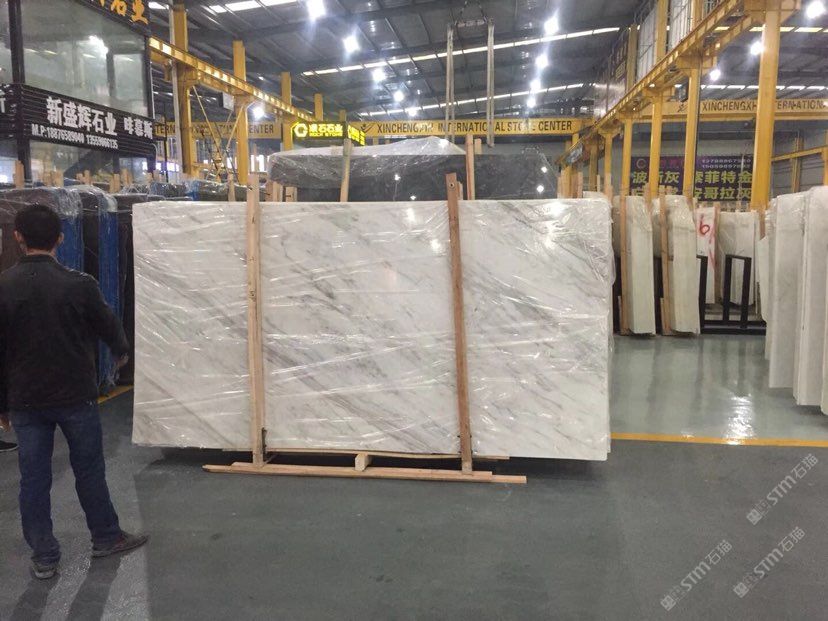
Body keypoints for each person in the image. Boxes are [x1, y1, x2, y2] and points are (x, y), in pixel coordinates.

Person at [0, 203, 147, 580]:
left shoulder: (3, 287)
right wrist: (120, 352)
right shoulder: (79, 285)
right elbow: (109, 325)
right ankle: (106, 537)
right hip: (75, 396)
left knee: (33, 479)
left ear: (17, 237)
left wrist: (2, 405)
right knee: (89, 470)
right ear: (61, 238)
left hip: (25, 400)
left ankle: (44, 555)